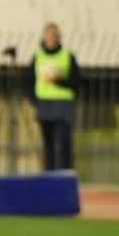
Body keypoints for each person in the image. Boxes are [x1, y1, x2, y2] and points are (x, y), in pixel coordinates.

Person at [27, 23, 81, 171]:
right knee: (48, 143)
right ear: (44, 36)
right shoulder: (38, 56)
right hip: (44, 104)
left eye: (54, 34)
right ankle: (49, 173)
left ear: (58, 36)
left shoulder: (67, 55)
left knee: (64, 141)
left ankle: (65, 172)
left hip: (63, 104)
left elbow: (76, 80)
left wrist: (59, 81)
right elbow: (29, 81)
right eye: (48, 34)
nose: (51, 37)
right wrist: (35, 101)